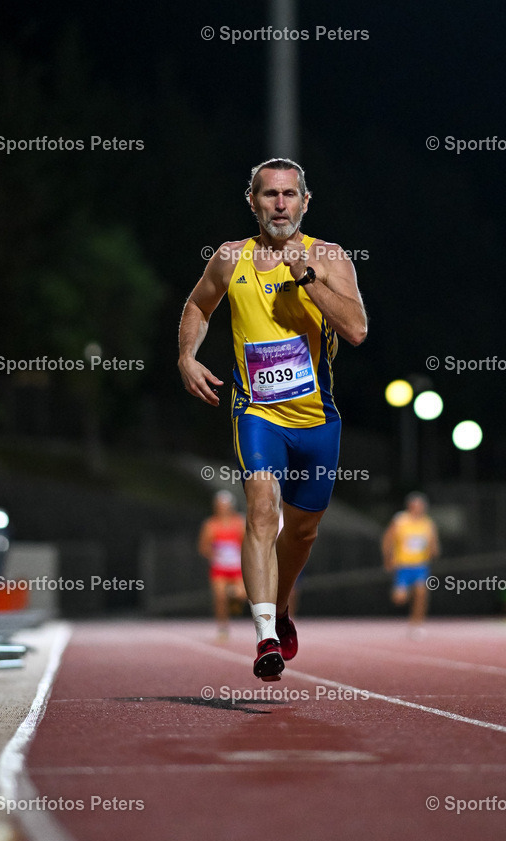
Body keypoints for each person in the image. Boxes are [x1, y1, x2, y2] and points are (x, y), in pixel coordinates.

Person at [178, 158, 367, 679]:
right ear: (252, 201)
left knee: (302, 531)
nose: (279, 204)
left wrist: (308, 281)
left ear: (305, 202)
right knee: (262, 509)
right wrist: (187, 357)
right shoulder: (229, 258)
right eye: (269, 195)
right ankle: (264, 635)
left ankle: (280, 608)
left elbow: (355, 330)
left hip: (317, 420)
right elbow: (198, 306)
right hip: (257, 412)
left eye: (289, 195)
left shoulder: (326, 257)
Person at [382, 492, 440, 625]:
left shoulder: (427, 523)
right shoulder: (400, 520)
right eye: (416, 506)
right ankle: (406, 592)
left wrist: (434, 551)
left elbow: (433, 542)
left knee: (421, 593)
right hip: (403, 565)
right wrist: (388, 558)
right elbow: (387, 539)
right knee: (399, 598)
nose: (419, 509)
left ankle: (417, 623)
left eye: (421, 506)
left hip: (420, 565)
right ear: (410, 506)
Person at [197, 490, 246, 639]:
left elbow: (247, 544)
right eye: (220, 505)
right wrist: (213, 554)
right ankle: (223, 628)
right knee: (220, 597)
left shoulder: (239, 522)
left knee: (240, 595)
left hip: (237, 567)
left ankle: (234, 601)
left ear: (231, 506)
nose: (222, 508)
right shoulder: (210, 525)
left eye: (225, 505)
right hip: (219, 568)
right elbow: (203, 547)